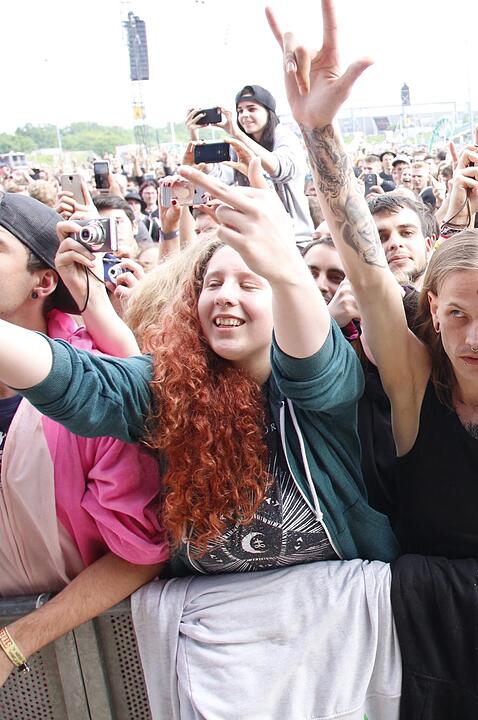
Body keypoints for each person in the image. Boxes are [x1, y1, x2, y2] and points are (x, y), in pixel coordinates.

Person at [287, 0, 478, 559]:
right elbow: (366, 272)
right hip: (427, 617)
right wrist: (318, 132)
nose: (475, 338)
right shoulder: (410, 383)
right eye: (458, 314)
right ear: (431, 308)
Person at [0, 160, 398, 577]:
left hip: (331, 611)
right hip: (212, 626)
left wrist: (284, 264)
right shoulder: (170, 384)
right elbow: (79, 383)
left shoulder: (318, 391)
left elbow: (316, 370)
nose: (225, 296)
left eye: (248, 284)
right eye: (213, 284)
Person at [0, 192, 166, 688]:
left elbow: (141, 551)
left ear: (43, 281)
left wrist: (14, 643)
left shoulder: (97, 393)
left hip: (99, 667)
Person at [189, 86, 314, 242]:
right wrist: (194, 138)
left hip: (294, 239)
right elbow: (221, 176)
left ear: (268, 111)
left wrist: (238, 134)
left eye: (251, 109)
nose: (244, 116)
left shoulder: (283, 134)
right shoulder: (240, 146)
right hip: (257, 238)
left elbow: (280, 169)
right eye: (240, 111)